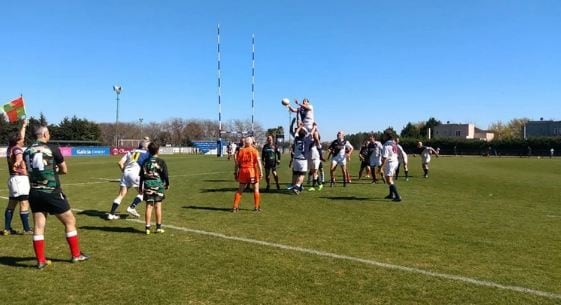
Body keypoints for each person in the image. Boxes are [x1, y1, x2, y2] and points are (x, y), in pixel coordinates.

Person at [24, 126, 88, 269]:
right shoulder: (51, 148)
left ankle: (40, 260)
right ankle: (76, 255)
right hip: (51, 191)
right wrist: (53, 171)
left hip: (34, 192)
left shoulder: (27, 150)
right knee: (70, 221)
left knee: (39, 227)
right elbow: (64, 170)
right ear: (45, 134)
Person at [106, 139, 150, 220]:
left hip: (125, 174)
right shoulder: (147, 153)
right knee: (144, 193)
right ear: (146, 146)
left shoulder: (131, 151)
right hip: (136, 174)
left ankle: (111, 214)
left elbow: (120, 163)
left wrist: (124, 171)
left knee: (121, 195)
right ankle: (132, 207)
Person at [3, 119, 32, 235]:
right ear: (17, 141)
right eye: (21, 139)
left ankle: (7, 228)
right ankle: (26, 229)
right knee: (24, 202)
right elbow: (19, 157)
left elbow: (21, 137)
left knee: (12, 204)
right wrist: (18, 162)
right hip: (20, 179)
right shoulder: (17, 149)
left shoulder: (10, 148)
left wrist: (24, 125)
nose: (23, 140)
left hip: (13, 179)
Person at [139, 142, 170, 234]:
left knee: (149, 206)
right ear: (157, 151)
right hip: (158, 185)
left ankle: (147, 228)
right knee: (158, 206)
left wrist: (141, 187)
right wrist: (167, 184)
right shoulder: (161, 161)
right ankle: (158, 227)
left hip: (148, 185)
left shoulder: (145, 162)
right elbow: (165, 175)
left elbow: (141, 176)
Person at [232, 137, 263, 211]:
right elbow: (258, 163)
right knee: (256, 189)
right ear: (251, 143)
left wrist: (235, 173)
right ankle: (256, 207)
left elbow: (237, 164)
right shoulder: (255, 151)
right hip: (252, 171)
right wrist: (261, 172)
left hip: (243, 171)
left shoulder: (241, 151)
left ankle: (235, 207)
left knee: (240, 190)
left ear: (245, 143)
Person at [381, 129, 402, 202]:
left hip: (390, 163)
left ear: (387, 136)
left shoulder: (386, 145)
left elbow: (384, 157)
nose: (383, 136)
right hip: (395, 161)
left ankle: (397, 196)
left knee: (389, 180)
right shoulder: (394, 143)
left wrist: (381, 167)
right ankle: (391, 194)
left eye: (384, 135)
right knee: (390, 179)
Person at [288, 124, 309, 194]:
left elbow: (296, 132)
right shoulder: (306, 139)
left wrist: (299, 127)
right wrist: (303, 126)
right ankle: (297, 186)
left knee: (295, 174)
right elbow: (309, 132)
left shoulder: (296, 138)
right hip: (303, 160)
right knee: (302, 174)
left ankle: (294, 187)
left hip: (296, 159)